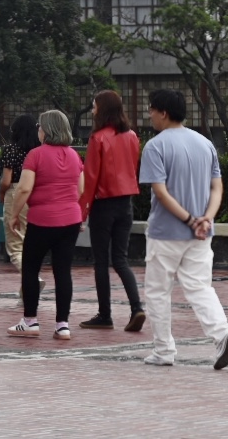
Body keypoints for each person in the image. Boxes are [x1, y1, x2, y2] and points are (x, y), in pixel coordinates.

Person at [138, 89, 228, 370]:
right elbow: (217, 187)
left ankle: (163, 350)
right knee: (200, 288)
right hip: (201, 235)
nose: (150, 115)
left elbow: (161, 191)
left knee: (158, 292)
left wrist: (189, 219)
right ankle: (222, 333)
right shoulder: (205, 144)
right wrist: (206, 218)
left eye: (151, 110)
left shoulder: (155, 147)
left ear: (163, 113)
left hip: (166, 233)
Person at [6, 110, 85, 340]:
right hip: (70, 220)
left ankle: (30, 321)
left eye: (40, 126)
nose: (38, 130)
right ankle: (62, 325)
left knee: (30, 268)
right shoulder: (74, 156)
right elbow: (80, 189)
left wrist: (14, 214)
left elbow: (23, 188)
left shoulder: (36, 155)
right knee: (63, 271)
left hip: (41, 220)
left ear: (47, 130)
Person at [79, 90, 144, 331]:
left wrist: (81, 212)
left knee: (101, 261)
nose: (93, 110)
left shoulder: (98, 138)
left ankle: (104, 315)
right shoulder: (132, 137)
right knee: (121, 259)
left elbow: (91, 178)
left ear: (103, 109)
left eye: (94, 106)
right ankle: (137, 307)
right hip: (126, 203)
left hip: (103, 205)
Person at [0, 114, 38, 270]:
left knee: (16, 244)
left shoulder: (10, 150)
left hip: (16, 192)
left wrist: (1, 193)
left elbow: (6, 180)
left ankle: (31, 276)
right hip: (35, 193)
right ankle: (31, 277)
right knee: (31, 239)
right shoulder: (38, 151)